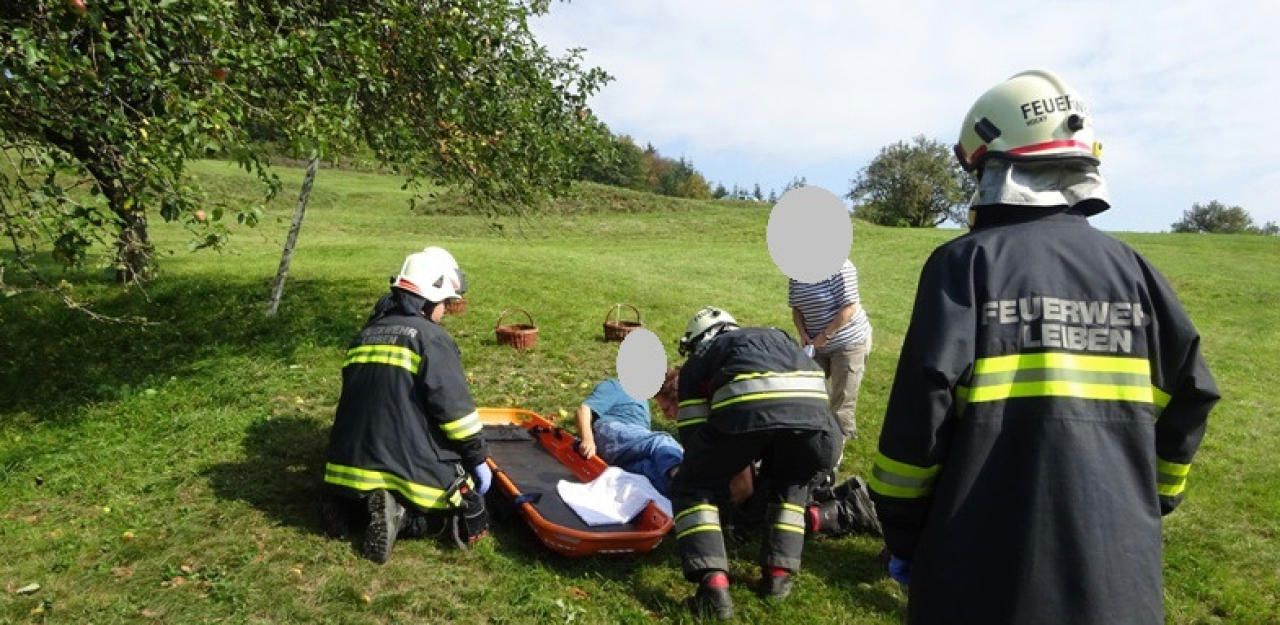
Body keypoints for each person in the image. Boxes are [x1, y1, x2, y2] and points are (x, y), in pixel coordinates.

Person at [869, 69, 1220, 625]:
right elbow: (1194, 389)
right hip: (1118, 580)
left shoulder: (964, 266)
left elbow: (917, 427)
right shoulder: (1136, 273)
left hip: (980, 574)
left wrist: (905, 533)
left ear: (994, 165)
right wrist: (1149, 498)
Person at [320, 246, 494, 563]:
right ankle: (401, 515)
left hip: (345, 463)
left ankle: (347, 508)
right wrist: (477, 457)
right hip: (402, 461)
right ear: (428, 299)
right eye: (444, 303)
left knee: (365, 482)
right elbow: (454, 413)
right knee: (459, 505)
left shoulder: (366, 333)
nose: (444, 311)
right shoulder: (430, 338)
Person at [670, 306, 842, 620]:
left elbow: (696, 440)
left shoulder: (701, 359)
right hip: (820, 428)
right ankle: (777, 577)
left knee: (693, 484)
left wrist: (722, 469)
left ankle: (713, 586)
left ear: (699, 339)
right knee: (791, 480)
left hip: (748, 411)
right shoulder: (780, 337)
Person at [789, 258, 872, 441]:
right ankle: (807, 436)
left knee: (842, 400)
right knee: (807, 390)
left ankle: (837, 446)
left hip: (849, 342)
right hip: (813, 344)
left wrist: (825, 335)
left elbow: (849, 307)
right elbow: (796, 308)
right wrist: (802, 333)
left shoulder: (840, 266)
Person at [573, 370, 684, 495]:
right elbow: (584, 409)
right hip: (613, 431)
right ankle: (682, 476)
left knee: (650, 469)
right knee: (661, 441)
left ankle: (686, 493)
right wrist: (588, 439)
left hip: (627, 451)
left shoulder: (642, 400)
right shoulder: (616, 385)